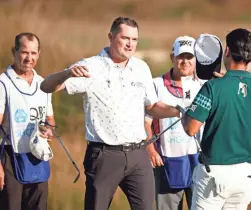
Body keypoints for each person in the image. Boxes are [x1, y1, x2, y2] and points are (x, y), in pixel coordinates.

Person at [40, 17, 181, 210]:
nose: (130, 44)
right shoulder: (91, 66)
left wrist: (178, 111)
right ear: (111, 37)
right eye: (125, 38)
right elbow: (46, 87)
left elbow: (152, 106)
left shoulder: (141, 68)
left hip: (138, 155)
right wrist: (67, 73)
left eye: (134, 39)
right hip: (104, 155)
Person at [182, 28, 251, 210]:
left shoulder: (212, 87)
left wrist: (184, 114)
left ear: (227, 51)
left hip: (215, 174)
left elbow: (191, 128)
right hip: (246, 176)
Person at [145, 36, 203, 210]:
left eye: (190, 57)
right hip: (167, 162)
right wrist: (151, 151)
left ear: (196, 60)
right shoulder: (156, 85)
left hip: (199, 160)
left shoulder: (205, 85)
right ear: (172, 58)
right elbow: (145, 121)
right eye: (180, 57)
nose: (185, 61)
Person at [0, 33, 55, 210]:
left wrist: (48, 131)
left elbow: (50, 121)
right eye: (24, 52)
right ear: (14, 52)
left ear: (39, 53)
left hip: (38, 156)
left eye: (33, 53)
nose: (29, 58)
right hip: (10, 156)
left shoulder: (44, 84)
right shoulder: (3, 83)